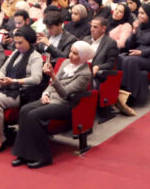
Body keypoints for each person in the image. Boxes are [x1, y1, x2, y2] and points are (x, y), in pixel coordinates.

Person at [11, 40, 94, 168]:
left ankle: (43, 156)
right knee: (24, 110)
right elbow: (51, 85)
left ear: (83, 56)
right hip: (51, 99)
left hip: (66, 105)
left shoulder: (85, 74)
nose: (71, 55)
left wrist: (53, 76)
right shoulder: (66, 63)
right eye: (71, 52)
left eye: (75, 54)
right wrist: (46, 94)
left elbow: (65, 94)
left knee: (34, 115)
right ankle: (24, 154)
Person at [0, 25, 43, 156]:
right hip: (9, 88)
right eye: (15, 43)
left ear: (30, 41)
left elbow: (36, 79)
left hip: (23, 93)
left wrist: (14, 81)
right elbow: (1, 70)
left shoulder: (36, 57)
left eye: (20, 43)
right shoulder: (14, 54)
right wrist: (1, 77)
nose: (17, 46)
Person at [116, 4, 150, 106]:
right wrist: (134, 32)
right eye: (139, 13)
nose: (139, 15)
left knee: (129, 60)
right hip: (137, 55)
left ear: (149, 15)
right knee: (119, 58)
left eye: (142, 13)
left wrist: (142, 52)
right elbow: (128, 45)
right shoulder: (139, 27)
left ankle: (131, 95)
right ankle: (120, 91)